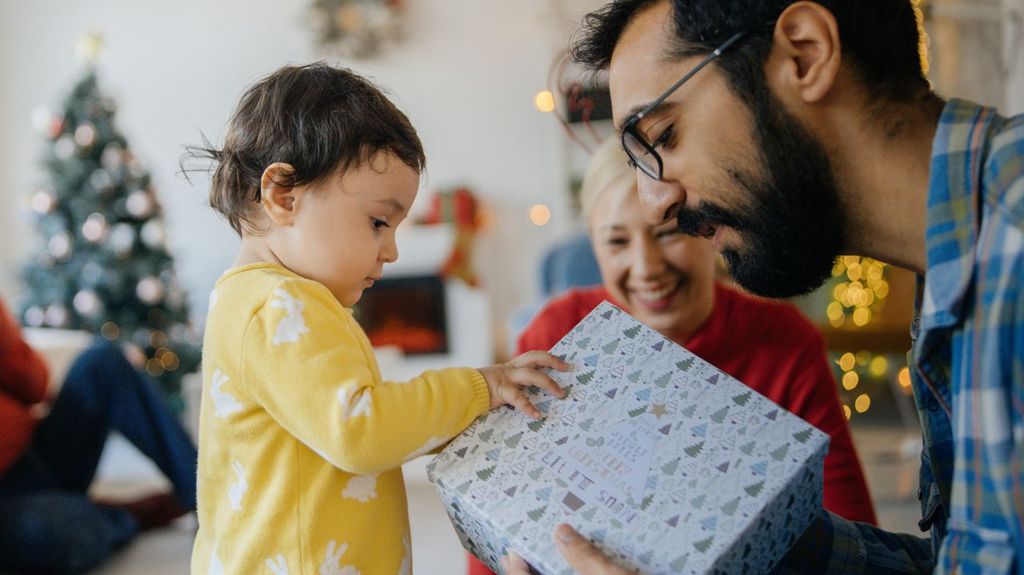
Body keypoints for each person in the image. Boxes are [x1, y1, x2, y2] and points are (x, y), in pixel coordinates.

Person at [507, 0, 1023, 572]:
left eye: (665, 134)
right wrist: (746, 541)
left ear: (805, 54)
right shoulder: (956, 271)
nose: (656, 206)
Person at [186, 63, 567, 575]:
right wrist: (481, 386)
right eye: (378, 222)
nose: (390, 249)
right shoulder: (281, 304)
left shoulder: (246, 299)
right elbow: (360, 430)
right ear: (284, 196)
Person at [468, 138, 875, 575]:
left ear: (709, 230)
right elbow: (499, 515)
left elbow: (852, 540)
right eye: (618, 242)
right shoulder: (555, 334)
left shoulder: (785, 342)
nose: (646, 267)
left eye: (667, 234)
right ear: (594, 246)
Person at [0, 297, 198, 574]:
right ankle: (124, 514)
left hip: (36, 451)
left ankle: (205, 495)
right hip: (9, 505)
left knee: (101, 361)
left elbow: (36, 386)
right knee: (55, 530)